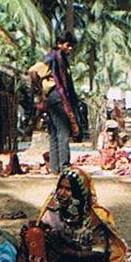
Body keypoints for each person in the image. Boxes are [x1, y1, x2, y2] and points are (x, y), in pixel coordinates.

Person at [29, 31, 82, 174]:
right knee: (63, 132)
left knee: (54, 133)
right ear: (59, 44)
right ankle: (63, 166)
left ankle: (54, 167)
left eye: (72, 46)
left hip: (54, 98)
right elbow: (33, 71)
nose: (70, 49)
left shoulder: (60, 59)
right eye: (68, 45)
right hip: (56, 97)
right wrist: (41, 92)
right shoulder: (52, 57)